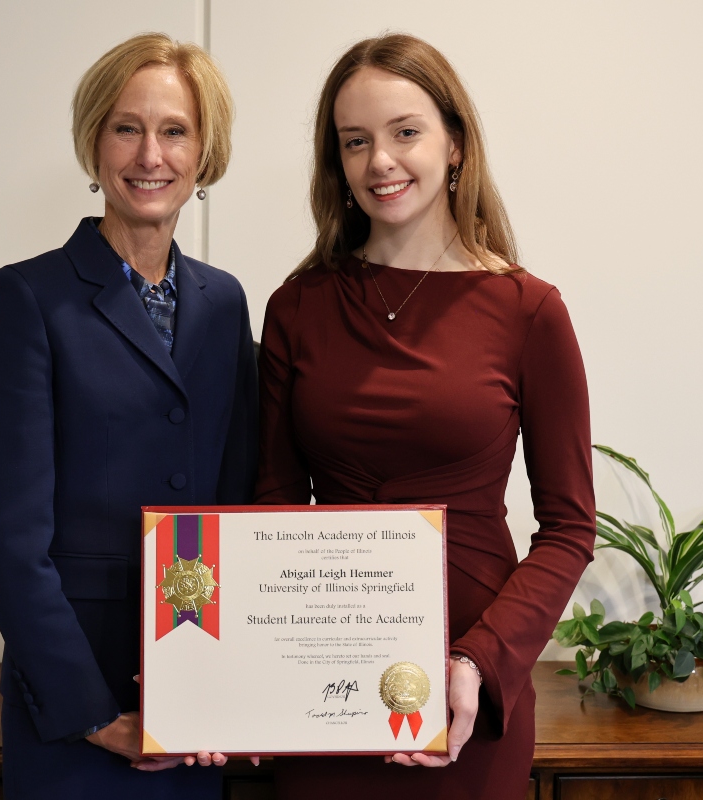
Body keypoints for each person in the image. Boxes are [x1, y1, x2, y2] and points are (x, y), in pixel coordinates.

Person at [255, 33, 596, 799]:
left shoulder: (529, 311)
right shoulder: (298, 307)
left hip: (468, 690)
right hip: (322, 681)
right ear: (336, 163)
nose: (380, 161)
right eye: (355, 142)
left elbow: (571, 526)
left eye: (405, 132)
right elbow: (272, 506)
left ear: (455, 146)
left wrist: (478, 661)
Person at [0, 33, 257, 798]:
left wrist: (239, 684)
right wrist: (94, 715)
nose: (149, 155)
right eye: (127, 127)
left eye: (175, 131)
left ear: (204, 152)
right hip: (73, 697)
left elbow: (235, 505)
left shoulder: (225, 302)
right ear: (95, 141)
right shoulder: (27, 297)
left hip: (199, 683)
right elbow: (10, 542)